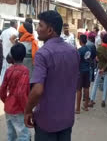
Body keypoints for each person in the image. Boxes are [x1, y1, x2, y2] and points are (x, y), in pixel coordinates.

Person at [24, 11, 80, 141]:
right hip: (66, 119)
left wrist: (27, 110)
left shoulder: (42, 54)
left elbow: (37, 90)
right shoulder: (73, 52)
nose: (37, 29)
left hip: (46, 121)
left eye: (40, 26)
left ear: (49, 30)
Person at [0, 43, 31, 141]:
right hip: (19, 108)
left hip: (9, 107)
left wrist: (7, 101)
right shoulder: (25, 71)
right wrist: (27, 109)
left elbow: (2, 89)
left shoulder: (9, 70)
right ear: (24, 55)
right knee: (24, 135)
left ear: (12, 56)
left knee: (11, 134)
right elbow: (21, 93)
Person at [88, 32, 107, 108]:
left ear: (102, 40)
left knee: (95, 84)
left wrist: (101, 68)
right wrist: (104, 68)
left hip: (99, 68)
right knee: (105, 85)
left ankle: (91, 100)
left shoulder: (99, 48)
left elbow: (96, 58)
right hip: (106, 69)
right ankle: (103, 101)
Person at [76, 35, 92, 114]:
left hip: (80, 71)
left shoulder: (80, 50)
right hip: (87, 70)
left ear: (81, 41)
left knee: (79, 89)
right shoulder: (89, 49)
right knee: (86, 88)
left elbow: (77, 61)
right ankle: (86, 106)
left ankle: (78, 109)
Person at [0, 20, 18, 86]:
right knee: (10, 72)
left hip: (4, 55)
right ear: (16, 25)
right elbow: (16, 41)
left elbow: (1, 40)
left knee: (3, 71)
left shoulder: (4, 31)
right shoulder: (16, 32)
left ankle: (1, 85)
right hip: (12, 56)